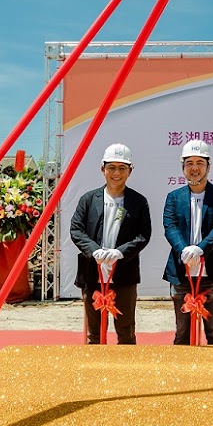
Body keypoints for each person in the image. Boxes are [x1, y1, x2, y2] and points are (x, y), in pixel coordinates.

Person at [70, 143, 152, 344]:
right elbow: (76, 230)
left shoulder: (138, 201)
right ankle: (94, 373)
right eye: (112, 167)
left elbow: (144, 234)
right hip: (92, 272)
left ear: (130, 171)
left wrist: (121, 252)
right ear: (102, 169)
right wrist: (94, 251)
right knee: (95, 333)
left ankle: (126, 373)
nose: (117, 173)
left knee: (125, 331)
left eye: (122, 168)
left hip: (124, 273)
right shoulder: (88, 199)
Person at [162, 139, 213, 345]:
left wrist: (200, 249)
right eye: (189, 163)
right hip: (181, 273)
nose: (194, 168)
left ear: (209, 166)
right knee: (182, 333)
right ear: (183, 167)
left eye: (200, 163)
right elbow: (170, 226)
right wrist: (183, 250)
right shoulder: (174, 197)